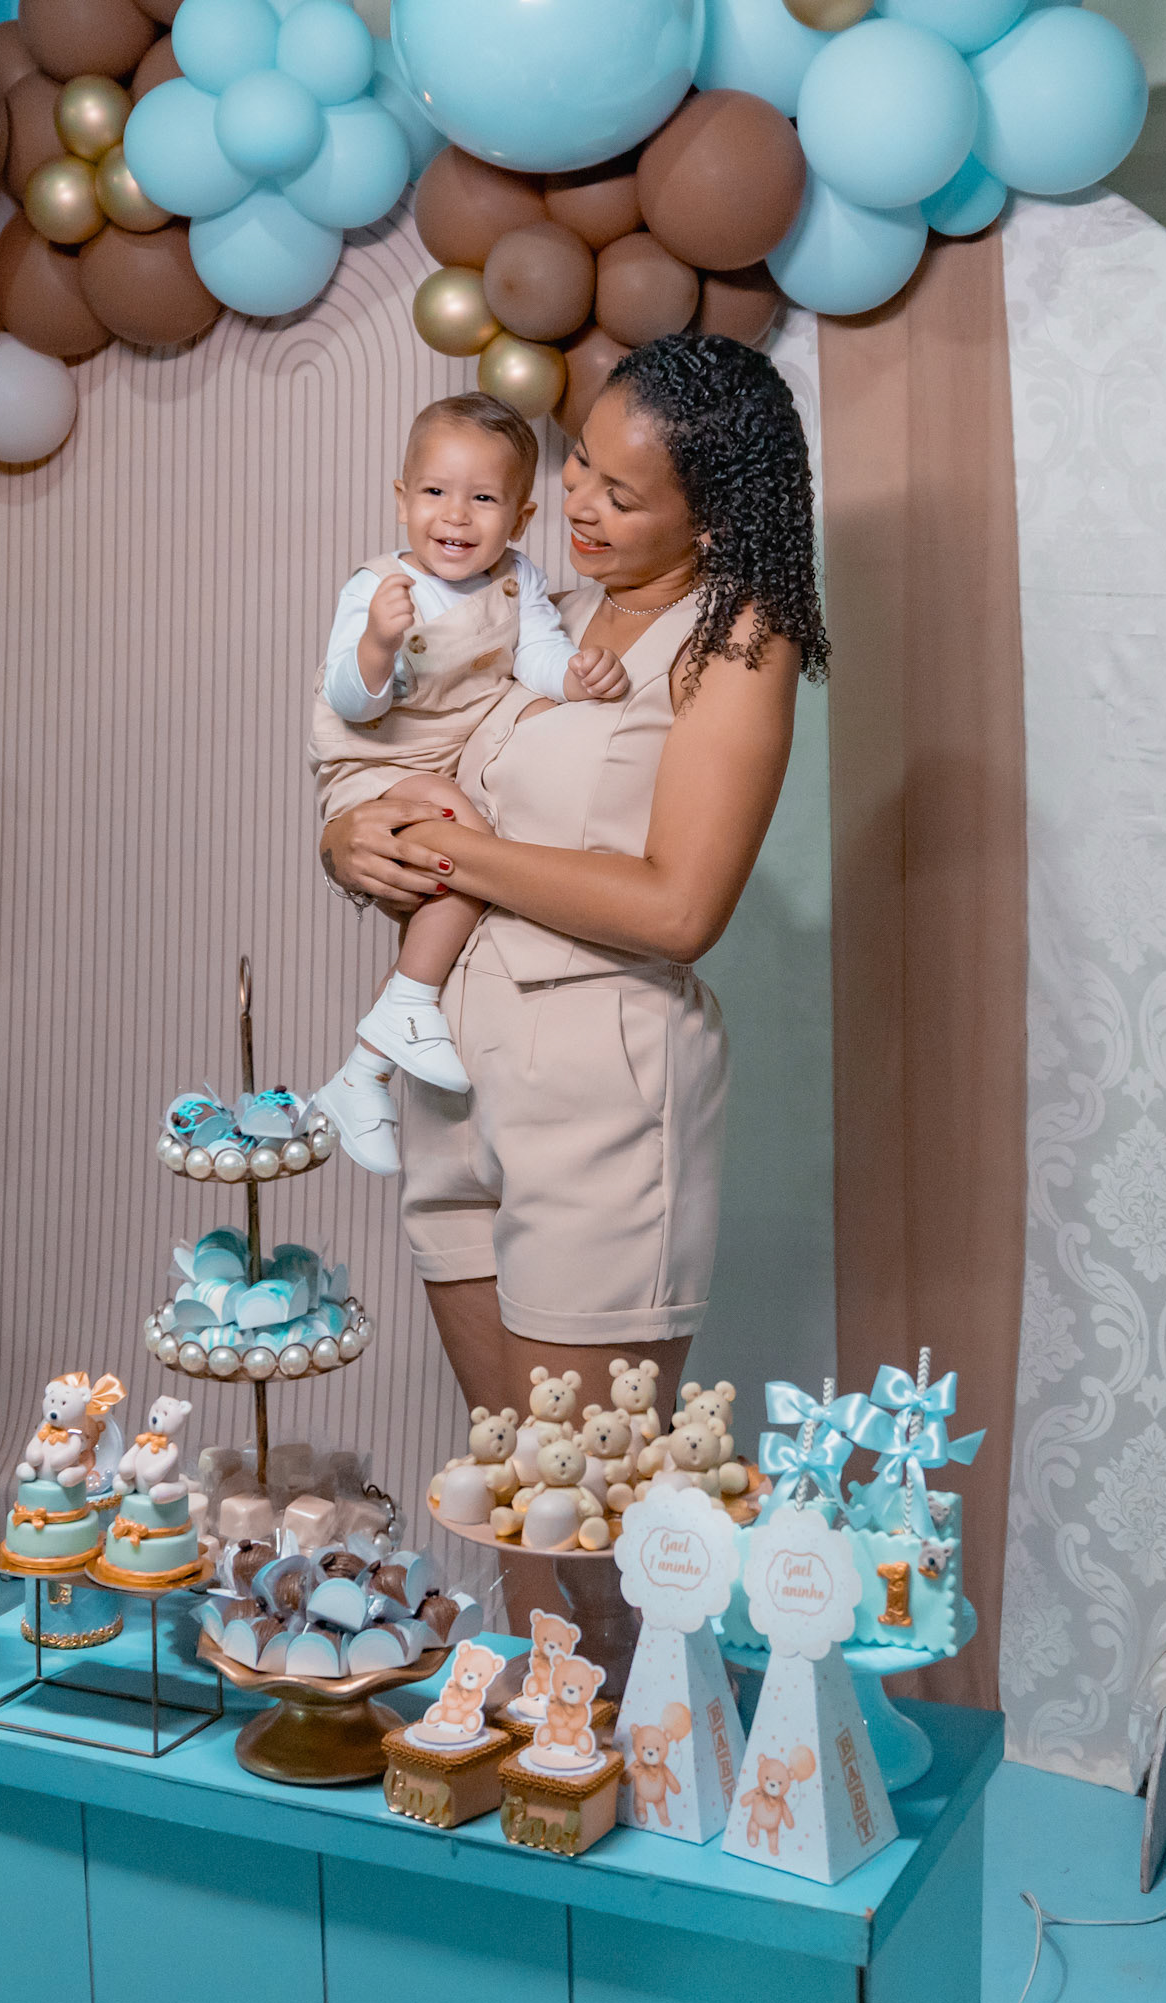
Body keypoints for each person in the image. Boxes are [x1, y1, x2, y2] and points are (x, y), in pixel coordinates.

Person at [319, 333, 829, 1453]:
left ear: (709, 522)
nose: (578, 503)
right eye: (582, 462)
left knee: (582, 1499)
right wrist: (350, 838)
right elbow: (406, 756)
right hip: (452, 1067)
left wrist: (451, 852)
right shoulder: (532, 610)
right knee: (502, 1481)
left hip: (599, 1083)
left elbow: (680, 910)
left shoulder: (738, 643)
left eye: (621, 495)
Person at [309, 392, 629, 1176]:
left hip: (440, 770)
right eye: (434, 492)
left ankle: (365, 1071)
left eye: (483, 499)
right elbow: (351, 701)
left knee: (461, 874)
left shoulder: (517, 582)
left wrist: (576, 677)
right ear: (401, 500)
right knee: (467, 842)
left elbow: (537, 655)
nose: (454, 515)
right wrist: (377, 644)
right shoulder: (381, 588)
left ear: (519, 519)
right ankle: (405, 1010)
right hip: (374, 768)